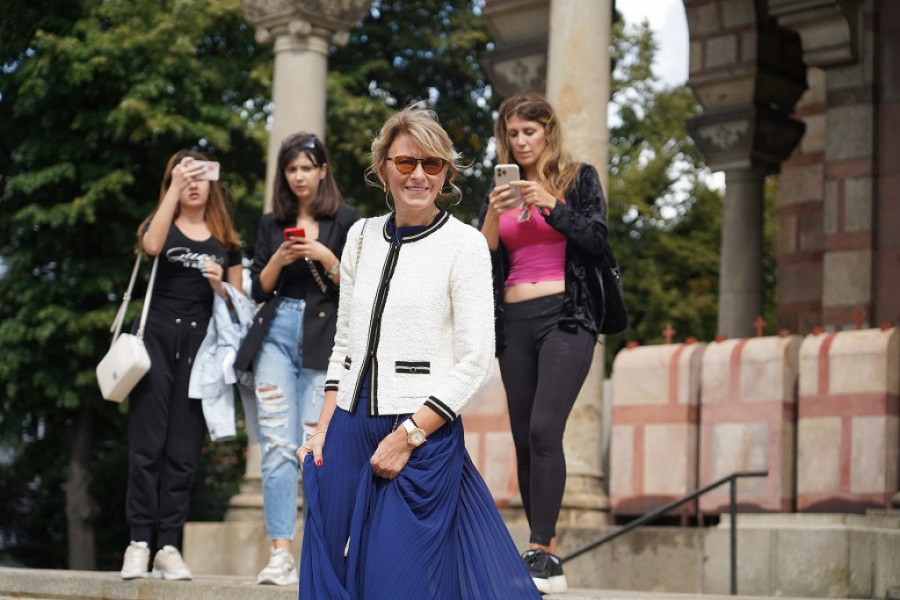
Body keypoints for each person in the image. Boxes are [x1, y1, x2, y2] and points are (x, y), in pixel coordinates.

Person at [297, 106, 541, 599]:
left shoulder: (465, 245)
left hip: (421, 434)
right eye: (406, 162)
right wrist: (322, 429)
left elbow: (476, 359)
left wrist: (407, 436)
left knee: (394, 581)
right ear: (383, 167)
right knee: (327, 566)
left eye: (432, 164)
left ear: (446, 173)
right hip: (347, 425)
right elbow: (345, 343)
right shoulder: (360, 236)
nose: (419, 176)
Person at [477, 92, 609, 594]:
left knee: (544, 429)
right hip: (514, 321)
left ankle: (541, 548)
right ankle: (541, 552)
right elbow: (481, 259)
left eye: (529, 132)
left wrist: (551, 204)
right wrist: (493, 215)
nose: (520, 141)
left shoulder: (578, 179)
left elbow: (596, 239)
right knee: (523, 437)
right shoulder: (500, 191)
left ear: (548, 132)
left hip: (567, 316)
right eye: (512, 133)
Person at [120, 151, 244, 580]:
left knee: (183, 452)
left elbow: (239, 304)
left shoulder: (227, 241)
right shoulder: (161, 224)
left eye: (200, 176)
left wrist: (220, 286)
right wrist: (172, 188)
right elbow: (152, 246)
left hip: (201, 349)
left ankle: (168, 546)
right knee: (146, 446)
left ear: (213, 183)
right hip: (155, 340)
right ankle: (139, 541)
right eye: (184, 176)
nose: (193, 183)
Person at [249, 133, 359, 586]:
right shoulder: (271, 222)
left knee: (317, 446)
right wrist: (279, 257)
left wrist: (325, 257)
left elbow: (359, 286)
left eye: (306, 168)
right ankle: (280, 553)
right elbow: (258, 288)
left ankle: (321, 550)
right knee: (276, 444)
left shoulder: (347, 220)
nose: (299, 176)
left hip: (324, 339)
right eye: (291, 169)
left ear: (322, 170)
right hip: (275, 334)